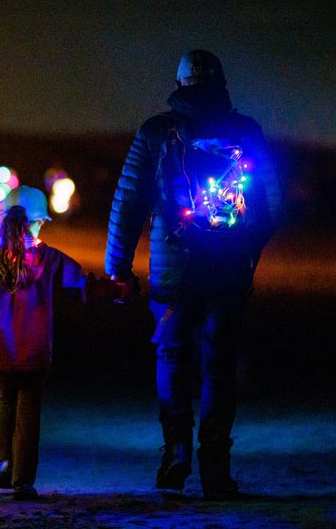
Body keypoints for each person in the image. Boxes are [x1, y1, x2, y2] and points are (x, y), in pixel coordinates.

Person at [105, 51, 282, 499]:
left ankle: (176, 452)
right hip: (227, 269)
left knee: (171, 359)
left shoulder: (155, 132)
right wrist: (248, 250)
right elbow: (272, 205)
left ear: (179, 82)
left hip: (172, 269)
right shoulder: (246, 132)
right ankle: (216, 469)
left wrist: (118, 270)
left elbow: (128, 205)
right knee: (219, 367)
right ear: (221, 81)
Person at [0, 186, 121, 500]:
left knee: (5, 402)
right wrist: (119, 291)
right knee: (29, 412)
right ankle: (23, 480)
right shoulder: (50, 259)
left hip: (1, 350)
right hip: (37, 352)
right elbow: (83, 286)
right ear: (37, 222)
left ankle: (4, 465)